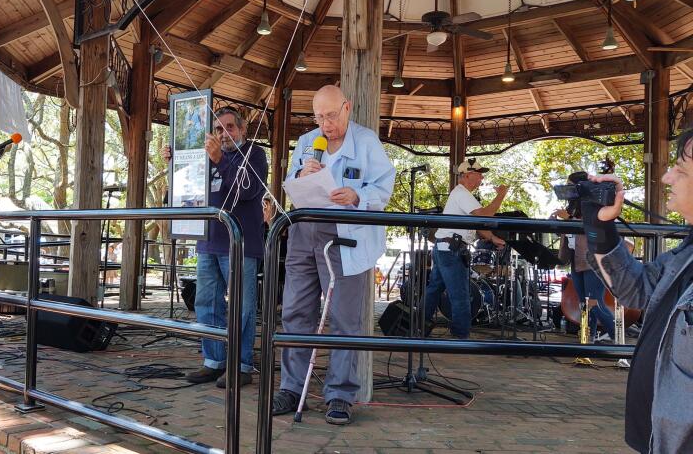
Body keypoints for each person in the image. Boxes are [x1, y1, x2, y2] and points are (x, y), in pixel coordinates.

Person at [272, 85, 396, 425]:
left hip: (345, 235)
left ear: (347, 107)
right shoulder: (308, 141)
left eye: (331, 115)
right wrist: (300, 174)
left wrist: (356, 195)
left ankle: (340, 394)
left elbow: (385, 185)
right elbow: (289, 181)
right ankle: (291, 388)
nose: (326, 124)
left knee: (345, 318)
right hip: (304, 230)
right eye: (319, 117)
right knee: (296, 310)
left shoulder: (367, 141)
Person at [583, 127, 693, 453]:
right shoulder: (686, 253)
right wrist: (600, 225)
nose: (667, 176)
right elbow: (637, 291)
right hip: (660, 436)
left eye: (681, 170)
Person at [162, 106, 268, 388]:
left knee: (242, 308)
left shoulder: (255, 154)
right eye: (218, 129)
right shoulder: (205, 158)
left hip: (241, 244)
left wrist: (219, 159)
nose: (224, 134)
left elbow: (246, 190)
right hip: (207, 241)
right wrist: (176, 163)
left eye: (230, 127)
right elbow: (180, 194)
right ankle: (214, 361)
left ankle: (242, 365)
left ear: (243, 129)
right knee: (206, 303)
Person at [423, 159, 507, 339]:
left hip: (445, 247)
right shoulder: (462, 193)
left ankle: (418, 325)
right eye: (479, 174)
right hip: (451, 250)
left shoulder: (461, 194)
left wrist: (492, 237)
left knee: (434, 290)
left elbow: (477, 224)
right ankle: (460, 337)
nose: (482, 178)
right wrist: (501, 195)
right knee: (460, 295)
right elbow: (484, 216)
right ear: (467, 175)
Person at [555, 171, 615, 342]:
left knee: (594, 303)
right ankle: (587, 342)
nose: (567, 189)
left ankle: (618, 341)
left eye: (570, 185)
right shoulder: (572, 206)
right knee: (585, 304)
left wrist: (569, 218)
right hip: (576, 258)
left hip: (594, 259)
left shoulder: (595, 202)